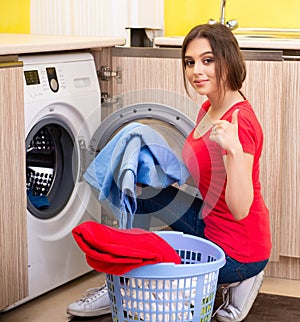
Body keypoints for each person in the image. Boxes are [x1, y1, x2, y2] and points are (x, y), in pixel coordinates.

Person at [66, 23, 271, 322]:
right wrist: (151, 161)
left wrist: (236, 152)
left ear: (228, 60)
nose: (196, 71)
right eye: (190, 62)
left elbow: (241, 209)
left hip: (238, 251)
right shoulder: (209, 107)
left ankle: (121, 288)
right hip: (211, 224)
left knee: (155, 260)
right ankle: (125, 273)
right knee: (142, 194)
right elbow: (204, 172)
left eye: (208, 60)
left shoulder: (241, 126)